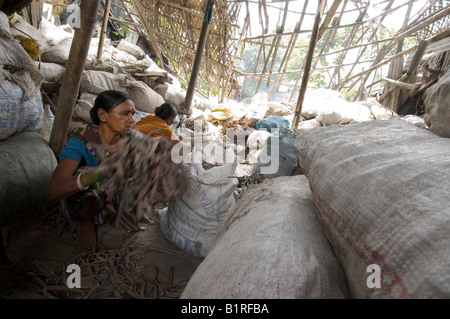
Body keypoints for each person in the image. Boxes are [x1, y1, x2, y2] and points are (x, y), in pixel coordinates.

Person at [46, 90, 151, 252]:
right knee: (86, 173)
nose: (132, 119)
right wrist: (98, 173)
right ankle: (87, 221)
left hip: (114, 193)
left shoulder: (131, 137)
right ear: (103, 115)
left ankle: (131, 207)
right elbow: (53, 191)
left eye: (132, 114)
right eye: (125, 114)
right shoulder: (82, 140)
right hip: (88, 199)